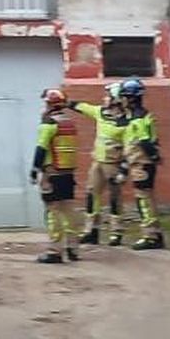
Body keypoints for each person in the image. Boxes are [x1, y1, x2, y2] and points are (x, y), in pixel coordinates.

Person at [73, 82, 127, 247]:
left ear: (116, 99)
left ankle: (116, 232)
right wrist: (66, 102)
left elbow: (130, 147)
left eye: (108, 96)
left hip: (114, 163)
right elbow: (83, 107)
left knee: (114, 197)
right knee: (92, 194)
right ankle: (91, 231)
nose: (104, 99)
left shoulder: (126, 122)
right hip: (98, 162)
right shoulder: (100, 113)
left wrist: (124, 169)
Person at [32, 88, 81, 265]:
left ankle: (55, 251)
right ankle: (73, 248)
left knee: (53, 211)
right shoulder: (69, 122)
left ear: (49, 104)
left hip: (52, 173)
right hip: (68, 173)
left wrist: (35, 169)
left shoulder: (48, 124)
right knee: (68, 210)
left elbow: (41, 148)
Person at [119, 77, 163, 251]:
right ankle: (155, 233)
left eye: (123, 96)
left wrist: (153, 156)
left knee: (143, 199)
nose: (121, 100)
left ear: (131, 98)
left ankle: (150, 236)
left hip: (142, 163)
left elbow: (144, 141)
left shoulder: (137, 118)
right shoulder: (140, 116)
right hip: (140, 162)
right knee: (147, 198)